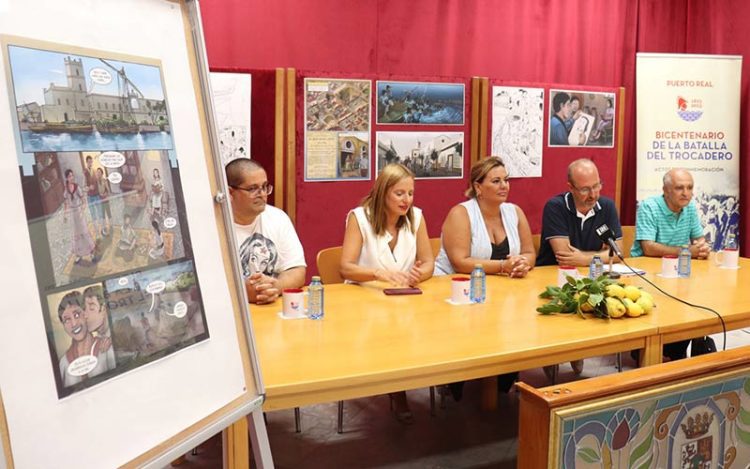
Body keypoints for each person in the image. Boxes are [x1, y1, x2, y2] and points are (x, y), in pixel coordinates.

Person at [339, 163, 434, 424]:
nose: (407, 200)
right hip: (365, 300)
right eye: (400, 194)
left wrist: (419, 275)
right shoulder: (360, 218)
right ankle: (396, 389)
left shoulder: (416, 217)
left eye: (411, 193)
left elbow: (428, 262)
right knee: (389, 333)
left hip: (404, 298)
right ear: (383, 193)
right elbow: (345, 268)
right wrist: (378, 274)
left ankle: (410, 384)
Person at [434, 156, 535, 399]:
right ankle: (455, 381)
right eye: (496, 181)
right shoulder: (461, 213)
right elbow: (461, 262)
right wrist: (503, 265)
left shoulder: (514, 212)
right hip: (456, 295)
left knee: (515, 325)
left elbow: (530, 252)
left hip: (501, 294)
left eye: (506, 180)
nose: (504, 186)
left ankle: (502, 380)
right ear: (478, 187)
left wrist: (523, 264)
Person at [537, 158, 623, 379]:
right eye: (585, 189)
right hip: (553, 279)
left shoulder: (607, 207)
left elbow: (618, 253)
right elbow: (564, 256)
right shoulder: (556, 206)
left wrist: (585, 259)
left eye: (597, 186)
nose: (593, 194)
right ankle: (553, 355)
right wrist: (599, 257)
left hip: (590, 277)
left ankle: (579, 351)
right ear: (570, 188)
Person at [630, 168, 709, 361]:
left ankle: (685, 348)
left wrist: (702, 247)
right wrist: (686, 251)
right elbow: (648, 248)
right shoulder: (649, 206)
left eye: (690, 188)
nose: (686, 193)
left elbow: (698, 239)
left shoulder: (689, 207)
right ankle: (649, 350)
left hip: (677, 273)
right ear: (665, 190)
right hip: (646, 275)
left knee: (695, 301)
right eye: (680, 188)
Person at [226, 158, 306, 304]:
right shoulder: (213, 226)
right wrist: (241, 292)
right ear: (230, 193)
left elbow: (297, 270)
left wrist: (276, 286)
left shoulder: (278, 217)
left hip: (270, 308)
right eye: (252, 189)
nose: (262, 194)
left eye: (264, 187)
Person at [57, 290, 115, 386]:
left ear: (85, 315)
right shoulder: (63, 363)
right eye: (67, 320)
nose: (74, 324)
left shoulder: (106, 347)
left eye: (77, 315)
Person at [63, 169, 97, 265]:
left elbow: (83, 200)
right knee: (76, 235)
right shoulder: (65, 190)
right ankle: (78, 256)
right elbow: (66, 203)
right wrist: (65, 215)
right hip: (72, 214)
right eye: (69, 176)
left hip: (79, 212)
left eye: (72, 175)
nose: (72, 177)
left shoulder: (77, 187)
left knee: (84, 232)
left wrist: (82, 209)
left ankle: (91, 254)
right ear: (67, 178)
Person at [84, 155, 103, 238]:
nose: (90, 163)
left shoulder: (95, 171)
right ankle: (97, 232)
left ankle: (102, 230)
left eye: (91, 162)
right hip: (90, 197)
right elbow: (83, 187)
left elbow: (98, 182)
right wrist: (88, 188)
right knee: (93, 215)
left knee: (100, 213)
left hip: (97, 195)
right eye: (89, 162)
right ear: (86, 162)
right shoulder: (84, 173)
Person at [96, 167, 112, 236]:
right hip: (99, 200)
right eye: (97, 173)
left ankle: (111, 225)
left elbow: (108, 190)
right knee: (102, 215)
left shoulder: (104, 180)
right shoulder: (95, 181)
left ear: (102, 174)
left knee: (108, 212)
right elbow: (95, 191)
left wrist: (105, 194)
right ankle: (104, 228)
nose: (98, 174)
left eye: (99, 173)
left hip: (105, 199)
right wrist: (99, 195)